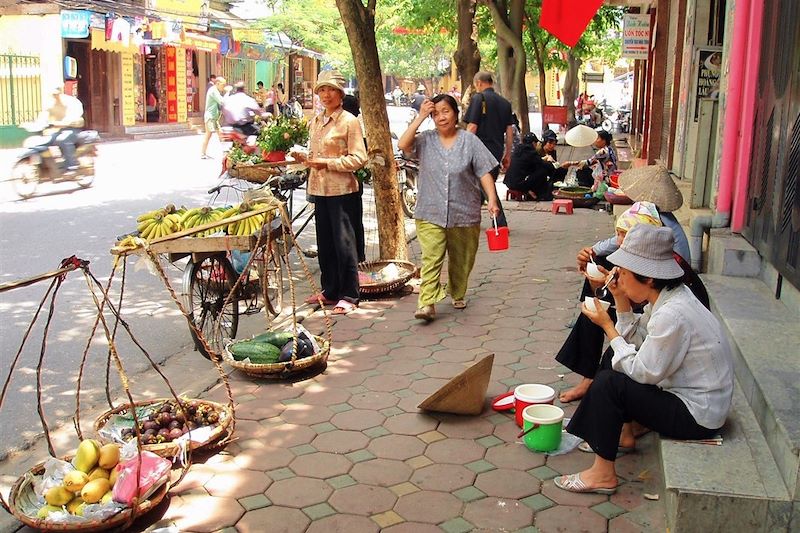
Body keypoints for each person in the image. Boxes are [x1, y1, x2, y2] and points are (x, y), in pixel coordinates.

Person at [554, 224, 733, 495]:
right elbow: (636, 341)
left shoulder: (672, 313)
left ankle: (602, 475)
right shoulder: (668, 296)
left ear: (648, 278)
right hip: (688, 398)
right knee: (614, 356)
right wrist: (618, 296)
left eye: (624, 274)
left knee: (609, 383)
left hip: (697, 416)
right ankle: (622, 434)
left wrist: (607, 326)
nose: (619, 278)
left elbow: (643, 371)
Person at [557, 198, 703, 404]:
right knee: (597, 301)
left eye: (624, 235)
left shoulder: (668, 287)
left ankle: (604, 393)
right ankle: (591, 379)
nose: (618, 241)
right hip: (654, 330)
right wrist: (597, 278)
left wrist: (609, 323)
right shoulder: (645, 247)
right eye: (618, 233)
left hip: (678, 381)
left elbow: (644, 369)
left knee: (610, 336)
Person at [398, 94, 500, 322]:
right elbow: (403, 145)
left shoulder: (469, 141)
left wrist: (492, 199)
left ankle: (457, 291)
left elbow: (484, 171)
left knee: (462, 258)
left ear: (456, 114)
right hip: (429, 211)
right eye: (436, 113)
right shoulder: (425, 139)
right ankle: (426, 302)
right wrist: (420, 116)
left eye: (446, 111)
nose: (441, 117)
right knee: (432, 258)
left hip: (464, 211)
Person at [291, 70, 367, 315]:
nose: (326, 95)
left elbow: (359, 158)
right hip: (319, 189)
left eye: (331, 89)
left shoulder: (349, 121)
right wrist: (303, 159)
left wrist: (327, 163)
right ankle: (330, 290)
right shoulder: (315, 120)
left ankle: (349, 294)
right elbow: (314, 156)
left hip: (343, 191)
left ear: (340, 94)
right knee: (325, 243)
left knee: (345, 244)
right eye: (322, 90)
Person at [464, 71, 513, 228]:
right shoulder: (505, 103)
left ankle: (500, 222)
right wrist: (507, 154)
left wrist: (461, 147)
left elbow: (472, 126)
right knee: (479, 185)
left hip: (479, 150)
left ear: (478, 83)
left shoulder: (479, 98)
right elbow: (510, 131)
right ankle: (468, 220)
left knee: (486, 186)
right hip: (497, 150)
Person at [341, 93, 366, 263]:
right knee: (355, 221)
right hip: (353, 186)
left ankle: (354, 258)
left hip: (350, 185)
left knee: (351, 222)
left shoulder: (351, 126)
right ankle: (358, 256)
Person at [41, 86, 84, 172]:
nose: (55, 96)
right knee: (48, 139)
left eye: (56, 94)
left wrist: (60, 123)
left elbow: (71, 117)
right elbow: (44, 114)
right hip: (61, 129)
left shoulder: (69, 102)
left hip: (73, 128)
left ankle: (72, 164)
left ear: (60, 93)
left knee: (63, 139)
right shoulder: (52, 104)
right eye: (53, 95)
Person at [503, 132, 553, 201]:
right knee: (542, 171)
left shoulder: (518, 149)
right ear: (533, 143)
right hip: (518, 184)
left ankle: (529, 191)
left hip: (508, 182)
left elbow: (531, 162)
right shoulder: (530, 151)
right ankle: (540, 194)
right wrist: (550, 162)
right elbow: (541, 164)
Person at [201, 76, 225, 159]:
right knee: (208, 134)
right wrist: (228, 93)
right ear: (218, 83)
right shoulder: (213, 90)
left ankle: (225, 153)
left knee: (220, 134)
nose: (224, 87)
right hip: (210, 117)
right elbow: (222, 101)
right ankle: (203, 153)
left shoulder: (215, 90)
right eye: (223, 85)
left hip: (214, 117)